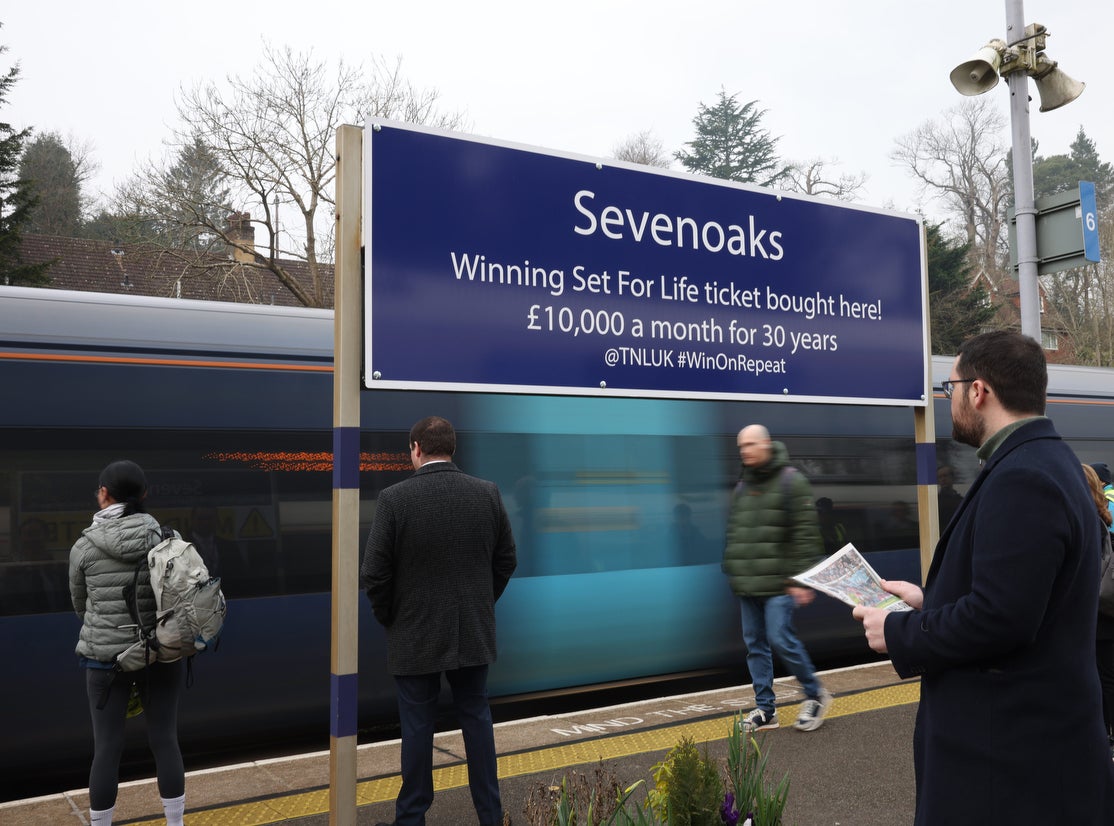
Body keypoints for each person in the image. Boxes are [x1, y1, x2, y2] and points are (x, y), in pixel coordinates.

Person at [852, 331, 1114, 824]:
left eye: (949, 388)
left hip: (1009, 767)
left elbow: (1001, 618)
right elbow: (1024, 597)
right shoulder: (1046, 461)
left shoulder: (1024, 477)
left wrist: (898, 630)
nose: (948, 401)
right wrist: (931, 601)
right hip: (1028, 754)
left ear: (978, 391)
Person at [360, 416, 517, 826]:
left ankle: (411, 818)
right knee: (477, 721)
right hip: (472, 633)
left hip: (414, 635)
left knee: (417, 728)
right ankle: (490, 816)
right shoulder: (487, 493)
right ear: (452, 448)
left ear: (416, 449)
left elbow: (374, 574)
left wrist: (392, 617)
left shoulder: (395, 499)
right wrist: (480, 603)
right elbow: (506, 560)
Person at [68, 460, 186, 826]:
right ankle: (176, 823)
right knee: (165, 739)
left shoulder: (83, 547)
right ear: (144, 494)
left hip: (105, 660)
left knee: (106, 747)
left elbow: (81, 606)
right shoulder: (165, 537)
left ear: (104, 494)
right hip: (158, 654)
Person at [723, 424, 832, 733]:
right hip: (748, 582)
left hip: (780, 582)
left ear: (767, 444)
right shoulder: (742, 487)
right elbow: (737, 534)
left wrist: (800, 581)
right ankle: (766, 709)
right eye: (741, 446)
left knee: (780, 638)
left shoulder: (791, 482)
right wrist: (734, 570)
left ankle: (815, 694)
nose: (745, 451)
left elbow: (805, 534)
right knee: (755, 645)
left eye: (751, 444)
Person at [1085, 463, 1114, 759]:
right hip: (1108, 607)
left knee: (1102, 676)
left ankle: (1104, 734)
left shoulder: (1090, 521)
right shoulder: (1103, 516)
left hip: (1099, 610)